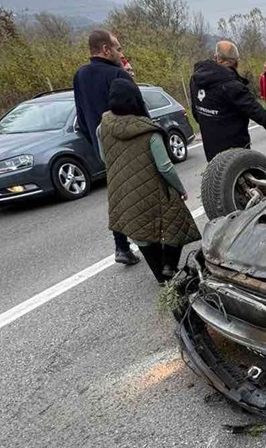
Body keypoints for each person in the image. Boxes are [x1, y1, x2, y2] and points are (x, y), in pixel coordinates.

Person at [97, 78, 200, 286]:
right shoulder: (149, 131)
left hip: (120, 191)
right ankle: (169, 266)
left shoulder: (102, 127)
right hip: (152, 189)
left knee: (140, 231)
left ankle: (160, 277)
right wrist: (180, 189)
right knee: (177, 221)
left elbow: (103, 158)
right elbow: (164, 167)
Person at [73, 29, 141, 266]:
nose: (122, 54)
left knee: (118, 194)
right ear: (105, 49)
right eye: (118, 48)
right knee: (145, 189)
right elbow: (140, 113)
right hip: (130, 145)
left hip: (102, 146)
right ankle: (154, 243)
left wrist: (94, 139)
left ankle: (121, 245)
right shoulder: (117, 75)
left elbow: (81, 116)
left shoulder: (80, 76)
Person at [189, 41, 266, 162]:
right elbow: (264, 118)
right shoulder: (233, 87)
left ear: (216, 58)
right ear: (236, 61)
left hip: (212, 155)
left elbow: (196, 114)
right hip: (236, 155)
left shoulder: (195, 80)